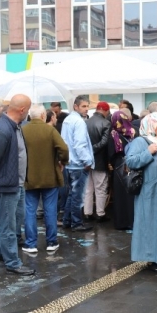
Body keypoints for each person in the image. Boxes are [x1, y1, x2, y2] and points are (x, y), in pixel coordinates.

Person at [0, 95, 35, 276]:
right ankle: (12, 262)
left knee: (14, 220)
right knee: (8, 226)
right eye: (27, 110)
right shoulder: (4, 129)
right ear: (22, 110)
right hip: (7, 185)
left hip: (14, 183)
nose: (28, 113)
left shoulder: (12, 127)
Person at [126, 113, 157, 272]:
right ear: (151, 125)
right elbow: (130, 161)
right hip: (148, 190)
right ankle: (154, 258)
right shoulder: (141, 141)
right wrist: (148, 152)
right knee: (151, 223)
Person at [21, 104, 69, 254]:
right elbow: (64, 149)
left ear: (30, 116)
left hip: (29, 177)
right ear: (43, 116)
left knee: (30, 211)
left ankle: (30, 244)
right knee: (50, 210)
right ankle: (51, 242)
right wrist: (62, 162)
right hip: (50, 177)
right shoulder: (50, 130)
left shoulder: (23, 130)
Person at [61, 95, 95, 232]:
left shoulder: (68, 120)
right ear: (76, 106)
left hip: (70, 163)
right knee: (77, 196)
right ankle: (76, 223)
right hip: (78, 164)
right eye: (84, 106)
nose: (87, 109)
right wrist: (87, 161)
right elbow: (80, 145)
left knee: (72, 194)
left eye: (87, 106)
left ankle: (67, 221)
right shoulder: (79, 122)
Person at [108, 110, 136, 231]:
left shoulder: (114, 134)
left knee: (120, 195)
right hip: (133, 164)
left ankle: (121, 222)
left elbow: (111, 153)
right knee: (131, 194)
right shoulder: (133, 132)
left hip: (119, 166)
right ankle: (132, 221)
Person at [84, 101, 112, 222]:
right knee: (100, 188)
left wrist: (88, 153)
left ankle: (87, 212)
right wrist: (93, 150)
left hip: (85, 160)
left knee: (88, 188)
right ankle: (100, 213)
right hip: (100, 160)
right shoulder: (106, 123)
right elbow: (104, 142)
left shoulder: (85, 122)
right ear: (106, 111)